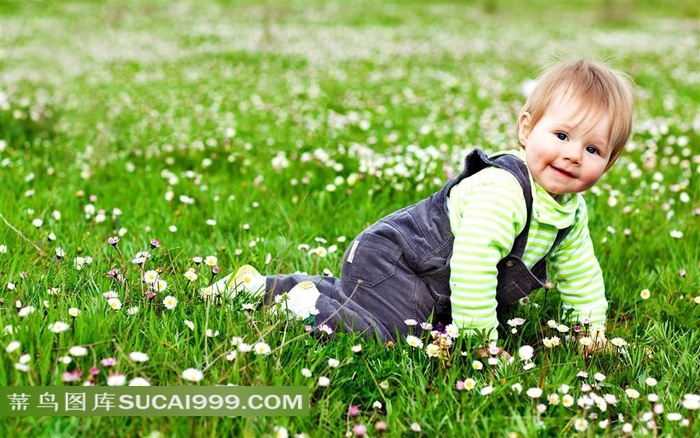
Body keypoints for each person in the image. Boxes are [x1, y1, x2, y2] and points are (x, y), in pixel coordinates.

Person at [207, 58, 634, 345]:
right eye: (561, 135)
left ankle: (284, 286)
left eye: (593, 149)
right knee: (384, 332)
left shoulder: (569, 213)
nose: (573, 154)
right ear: (527, 129)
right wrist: (479, 340)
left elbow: (581, 273)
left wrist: (591, 330)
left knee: (413, 324)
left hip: (435, 285)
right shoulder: (505, 192)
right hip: (398, 260)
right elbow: (472, 263)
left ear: (609, 162)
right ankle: (291, 300)